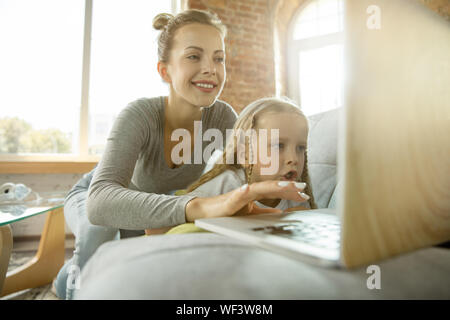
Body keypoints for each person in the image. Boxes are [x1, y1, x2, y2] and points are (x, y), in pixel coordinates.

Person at [55, 9, 307, 299]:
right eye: (193, 56)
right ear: (165, 70)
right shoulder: (140, 115)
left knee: (128, 264)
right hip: (96, 195)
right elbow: (99, 201)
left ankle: (64, 276)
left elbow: (242, 176)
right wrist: (195, 207)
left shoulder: (224, 118)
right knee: (96, 231)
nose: (211, 69)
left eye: (218, 58)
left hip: (152, 217)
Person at [152, 97, 315, 235]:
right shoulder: (229, 183)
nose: (293, 159)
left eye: (300, 148)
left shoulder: (296, 195)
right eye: (278, 146)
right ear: (245, 154)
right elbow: (155, 227)